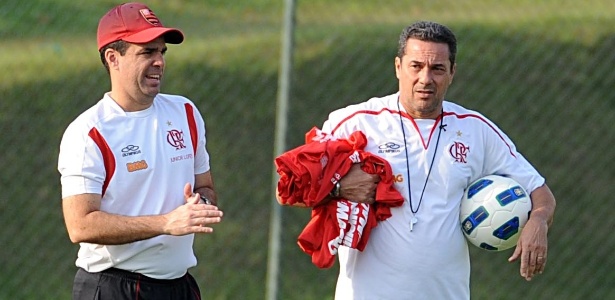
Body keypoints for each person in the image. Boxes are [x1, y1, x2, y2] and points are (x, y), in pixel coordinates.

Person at [313, 21, 556, 299]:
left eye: (437, 68)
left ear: (452, 72)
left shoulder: (476, 130)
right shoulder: (355, 123)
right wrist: (338, 188)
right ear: (398, 67)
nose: (425, 79)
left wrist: (538, 221)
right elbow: (287, 189)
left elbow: (542, 194)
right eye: (416, 66)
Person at [57, 2, 223, 299]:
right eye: (147, 52)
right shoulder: (89, 132)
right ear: (113, 58)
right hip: (113, 287)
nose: (159, 61)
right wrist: (165, 223)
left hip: (180, 285)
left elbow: (206, 186)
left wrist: (200, 203)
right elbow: (80, 224)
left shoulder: (185, 112)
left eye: (162, 52)